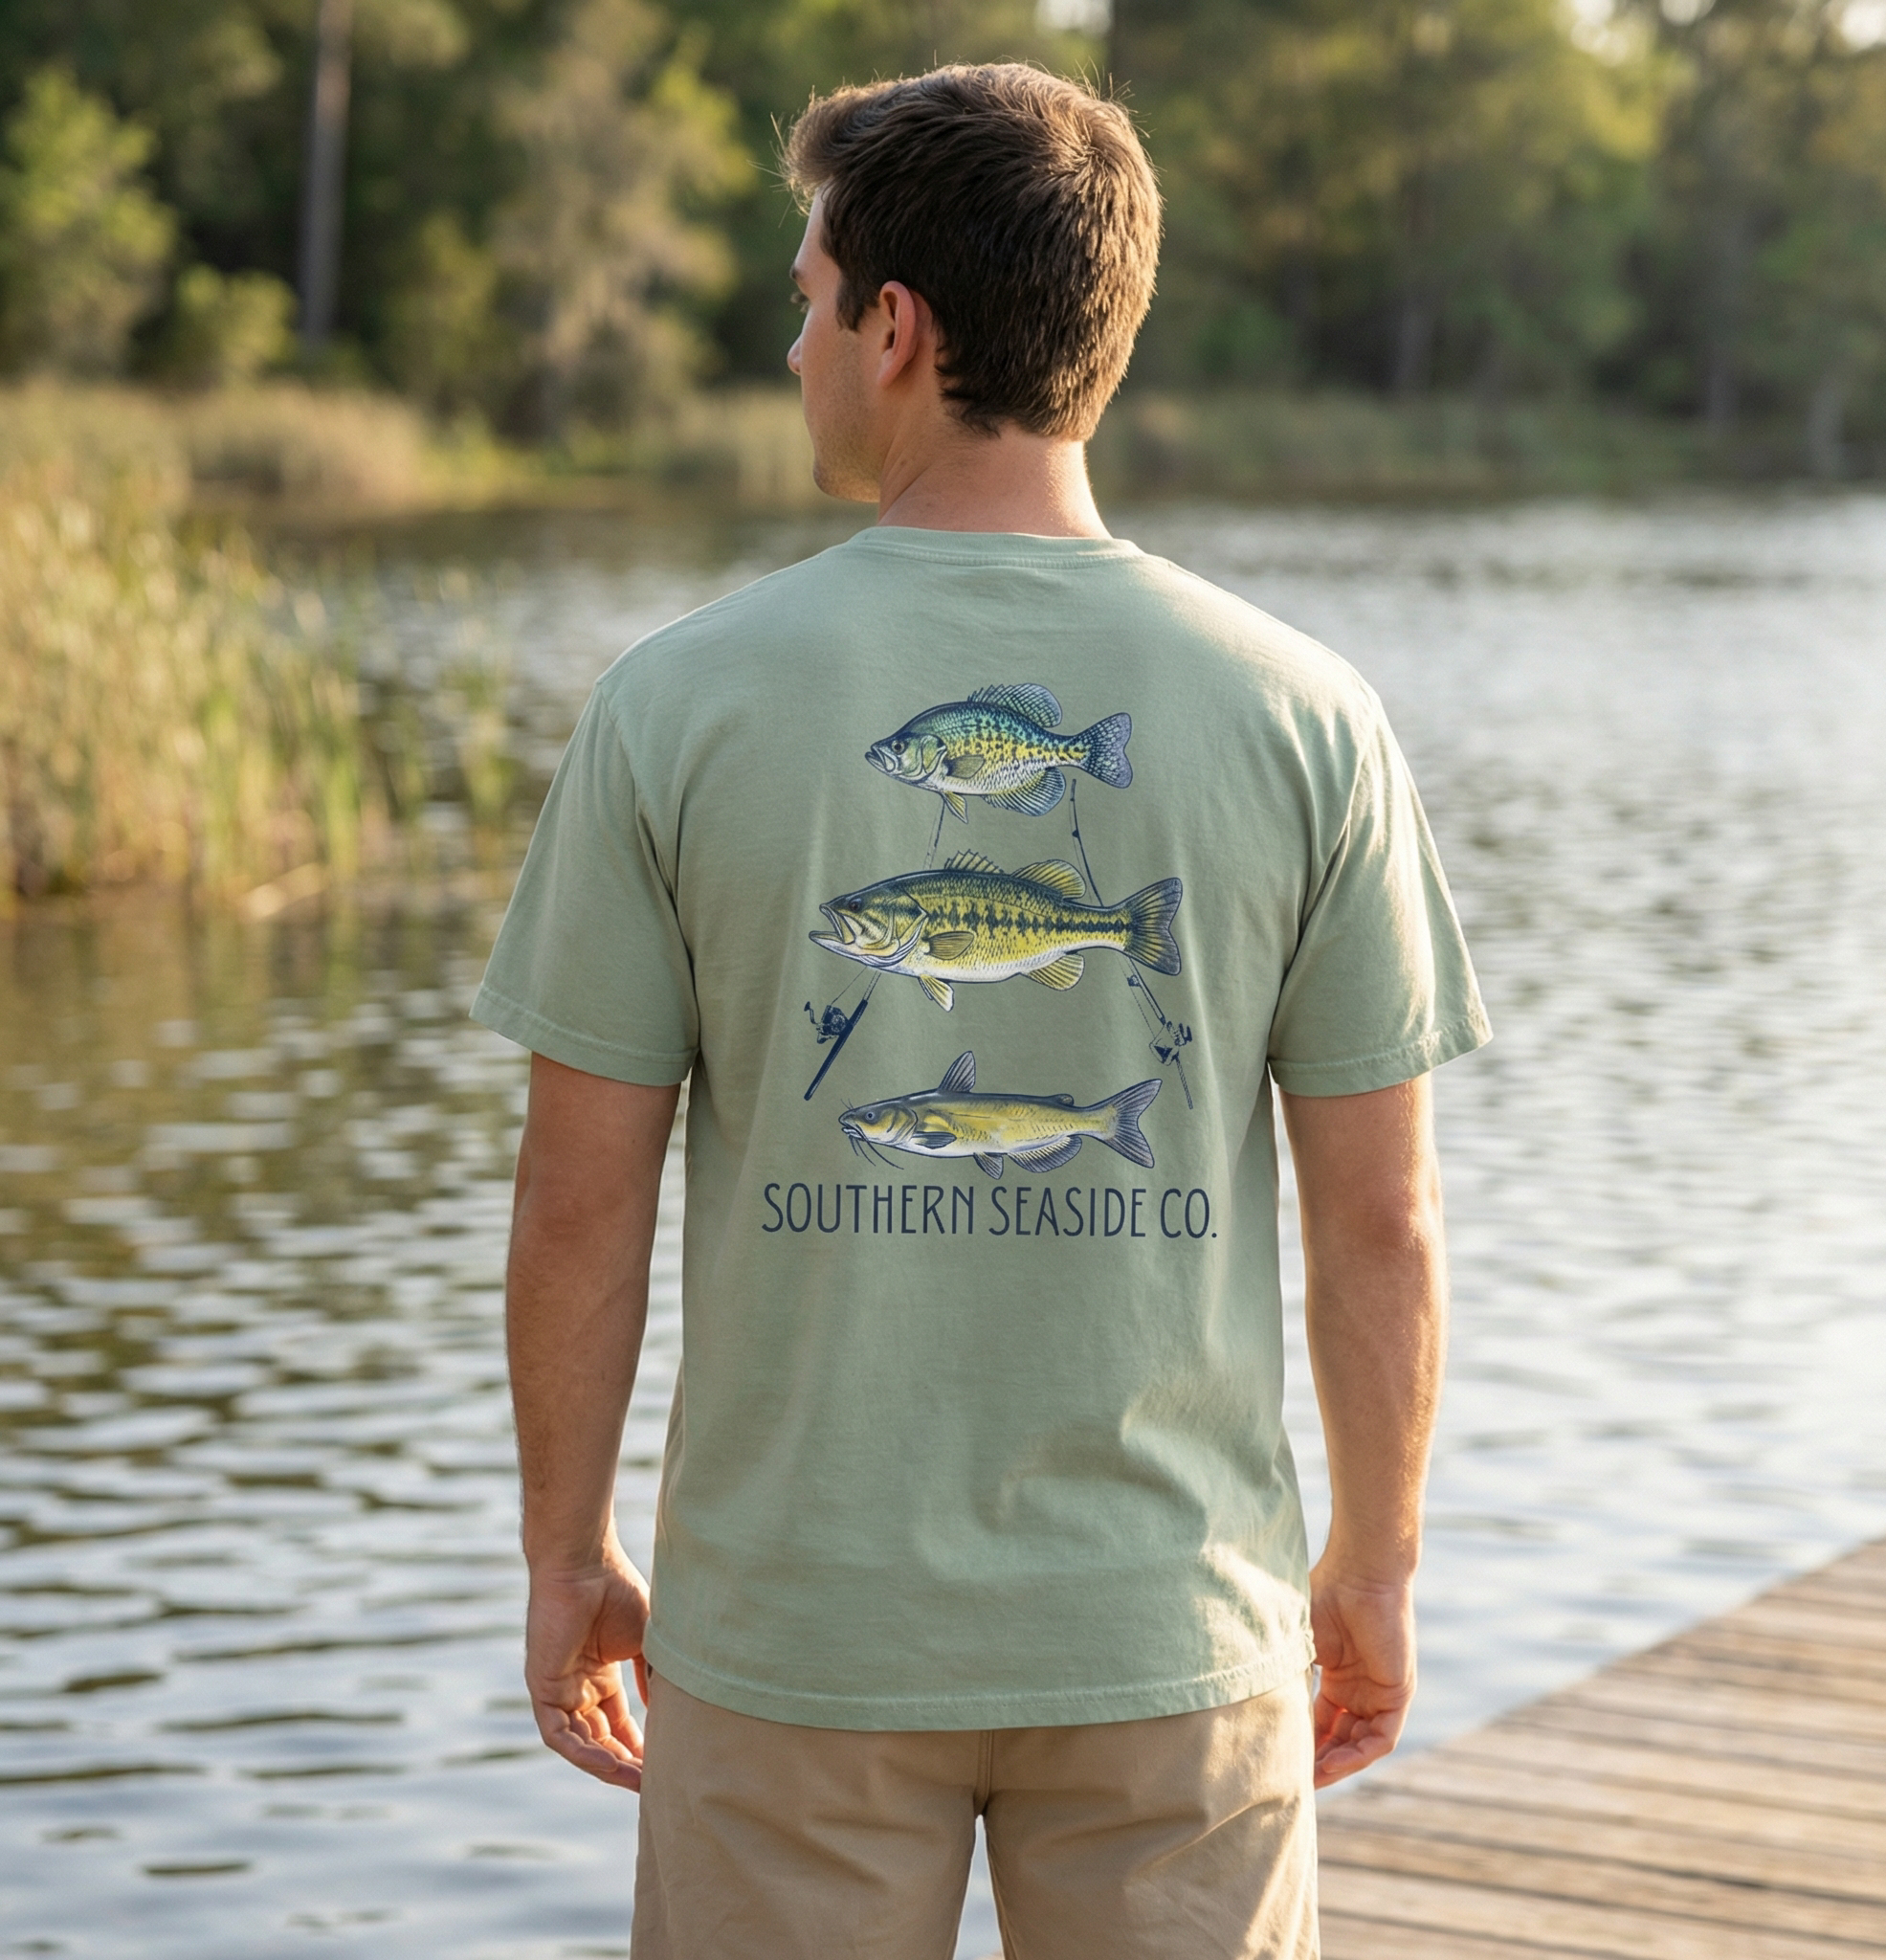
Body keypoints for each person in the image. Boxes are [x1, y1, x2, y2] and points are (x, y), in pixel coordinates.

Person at [475, 62, 1489, 1960]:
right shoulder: (1305, 714)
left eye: (803, 298)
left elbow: (575, 1203)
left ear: (895, 326)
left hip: (788, 1640)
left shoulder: (676, 703)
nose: (790, 348)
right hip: (1169, 1636)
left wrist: (566, 1555)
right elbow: (1385, 1221)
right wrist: (1372, 1562)